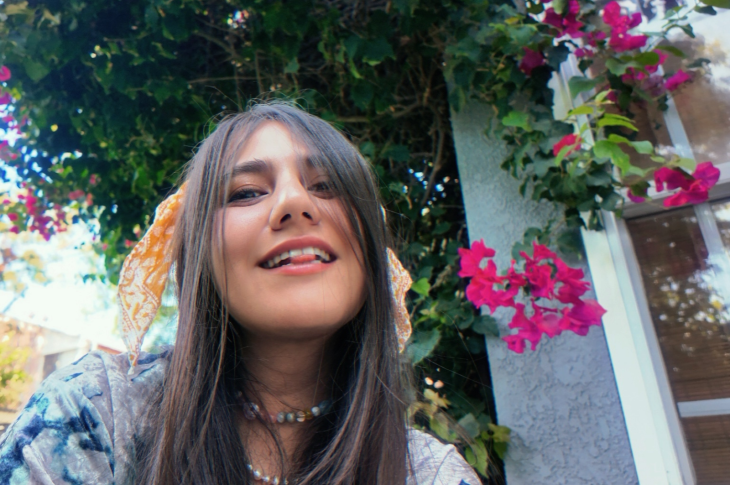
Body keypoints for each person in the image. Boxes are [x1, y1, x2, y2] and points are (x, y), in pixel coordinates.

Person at [0, 103, 480, 485]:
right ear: (197, 255)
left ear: (374, 254)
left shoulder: (432, 475)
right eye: (247, 192)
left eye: (327, 185)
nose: (295, 202)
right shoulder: (92, 413)